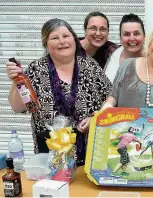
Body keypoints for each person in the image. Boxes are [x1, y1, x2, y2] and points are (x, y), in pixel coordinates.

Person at [6, 18, 111, 165]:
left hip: (89, 149)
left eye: (66, 36)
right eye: (55, 38)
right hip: (50, 151)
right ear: (46, 44)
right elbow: (19, 107)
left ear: (74, 40)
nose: (62, 41)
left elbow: (111, 99)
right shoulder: (36, 70)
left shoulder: (90, 66)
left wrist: (96, 118)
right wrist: (15, 79)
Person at [101, 24, 153, 110]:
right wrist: (106, 108)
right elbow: (113, 96)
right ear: (149, 44)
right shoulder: (127, 65)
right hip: (124, 123)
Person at [105, 13, 145, 83]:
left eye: (136, 34)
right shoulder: (114, 57)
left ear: (144, 36)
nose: (132, 38)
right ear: (120, 38)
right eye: (127, 34)